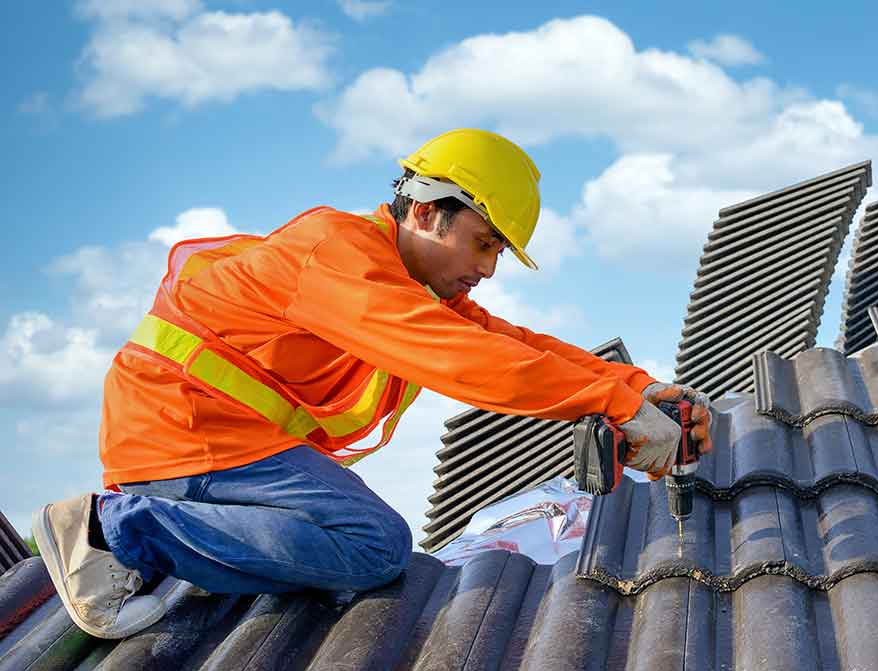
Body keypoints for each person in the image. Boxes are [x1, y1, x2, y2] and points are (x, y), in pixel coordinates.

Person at [31, 128, 712, 639]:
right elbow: (465, 361)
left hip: (225, 440)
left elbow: (501, 340)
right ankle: (113, 533)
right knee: (372, 547)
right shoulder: (339, 256)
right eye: (482, 243)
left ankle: (175, 540)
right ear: (425, 212)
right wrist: (614, 401)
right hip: (182, 434)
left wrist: (639, 387)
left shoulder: (391, 272)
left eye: (498, 252)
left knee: (355, 545)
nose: (488, 268)